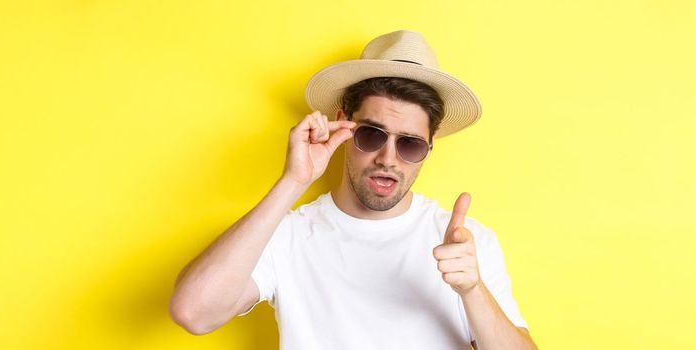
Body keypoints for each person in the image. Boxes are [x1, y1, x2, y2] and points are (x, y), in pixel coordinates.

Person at [169, 30, 537, 349]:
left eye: (410, 143)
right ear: (343, 124)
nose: (388, 158)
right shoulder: (289, 235)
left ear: (430, 144)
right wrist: (293, 182)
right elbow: (193, 313)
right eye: (372, 134)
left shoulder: (465, 245)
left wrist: (472, 291)